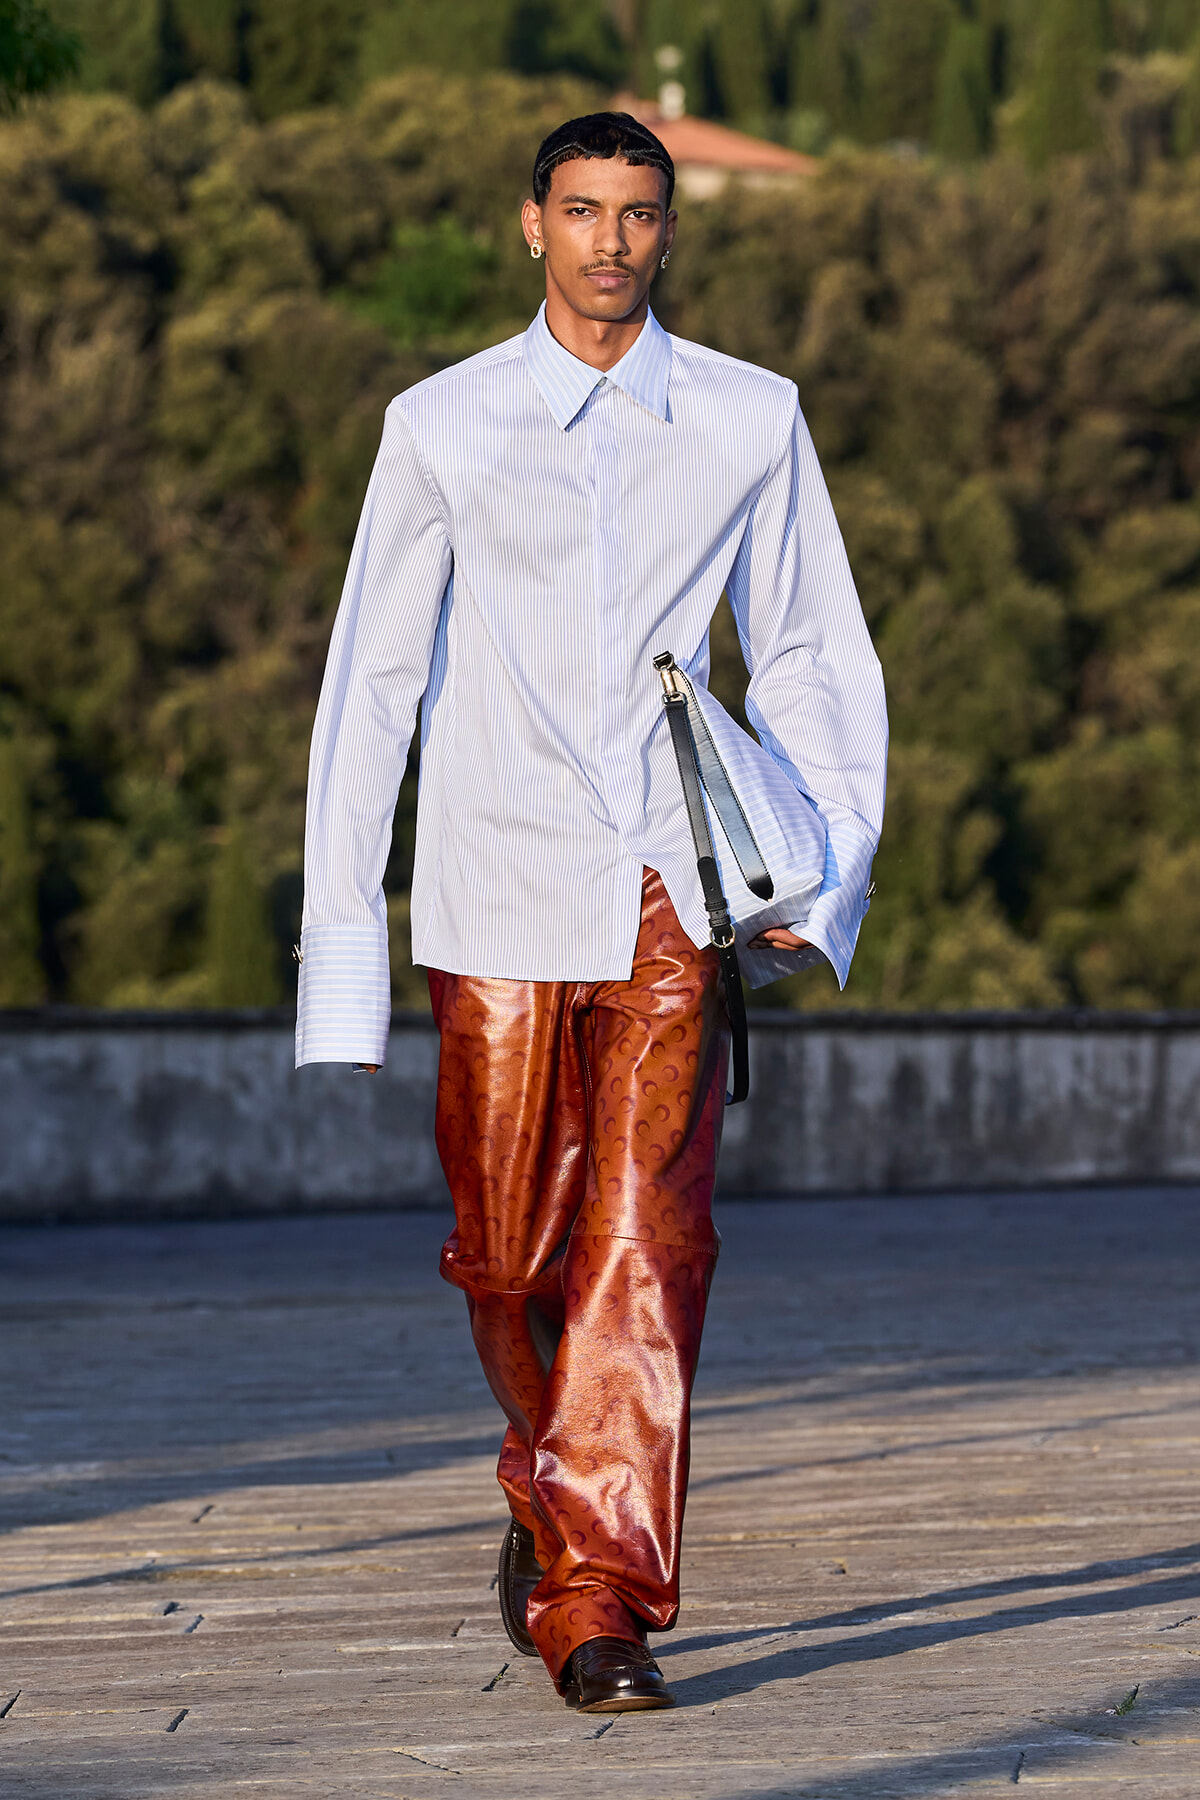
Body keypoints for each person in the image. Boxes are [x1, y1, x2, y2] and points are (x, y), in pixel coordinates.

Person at [296, 112, 887, 1713]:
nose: (609, 240)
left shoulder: (754, 418)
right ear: (530, 227)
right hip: (492, 883)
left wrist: (813, 869)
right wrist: (341, 944)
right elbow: (375, 689)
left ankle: (596, 1598)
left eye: (637, 214)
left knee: (647, 1244)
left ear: (670, 232)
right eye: (581, 210)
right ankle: (544, 1466)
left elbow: (814, 646)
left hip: (663, 888)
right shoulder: (443, 423)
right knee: (505, 1257)